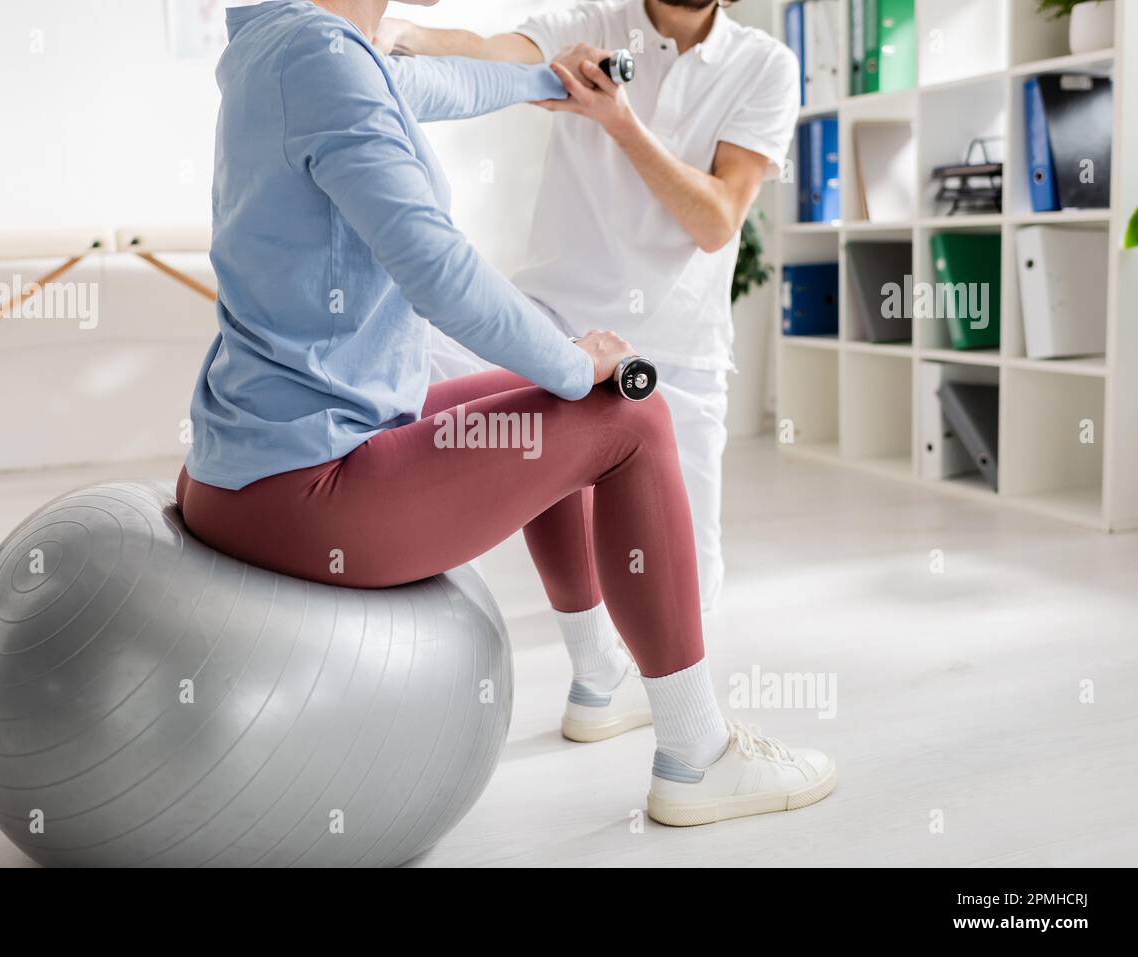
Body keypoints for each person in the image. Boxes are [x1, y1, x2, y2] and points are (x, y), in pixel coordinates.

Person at [179, 0, 833, 827]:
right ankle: (699, 756)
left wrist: (541, 79)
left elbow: (437, 82)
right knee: (627, 413)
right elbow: (438, 271)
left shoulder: (278, 42)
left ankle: (600, 672)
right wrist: (571, 361)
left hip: (241, 472)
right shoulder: (326, 58)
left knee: (531, 401)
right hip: (312, 490)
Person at [377, 0, 803, 735]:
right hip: (558, 322)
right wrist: (402, 35)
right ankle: (593, 667)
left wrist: (620, 123)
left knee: (684, 595)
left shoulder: (765, 64)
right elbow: (487, 48)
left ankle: (669, 720)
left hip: (679, 348)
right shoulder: (594, 20)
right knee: (434, 353)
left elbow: (715, 221)